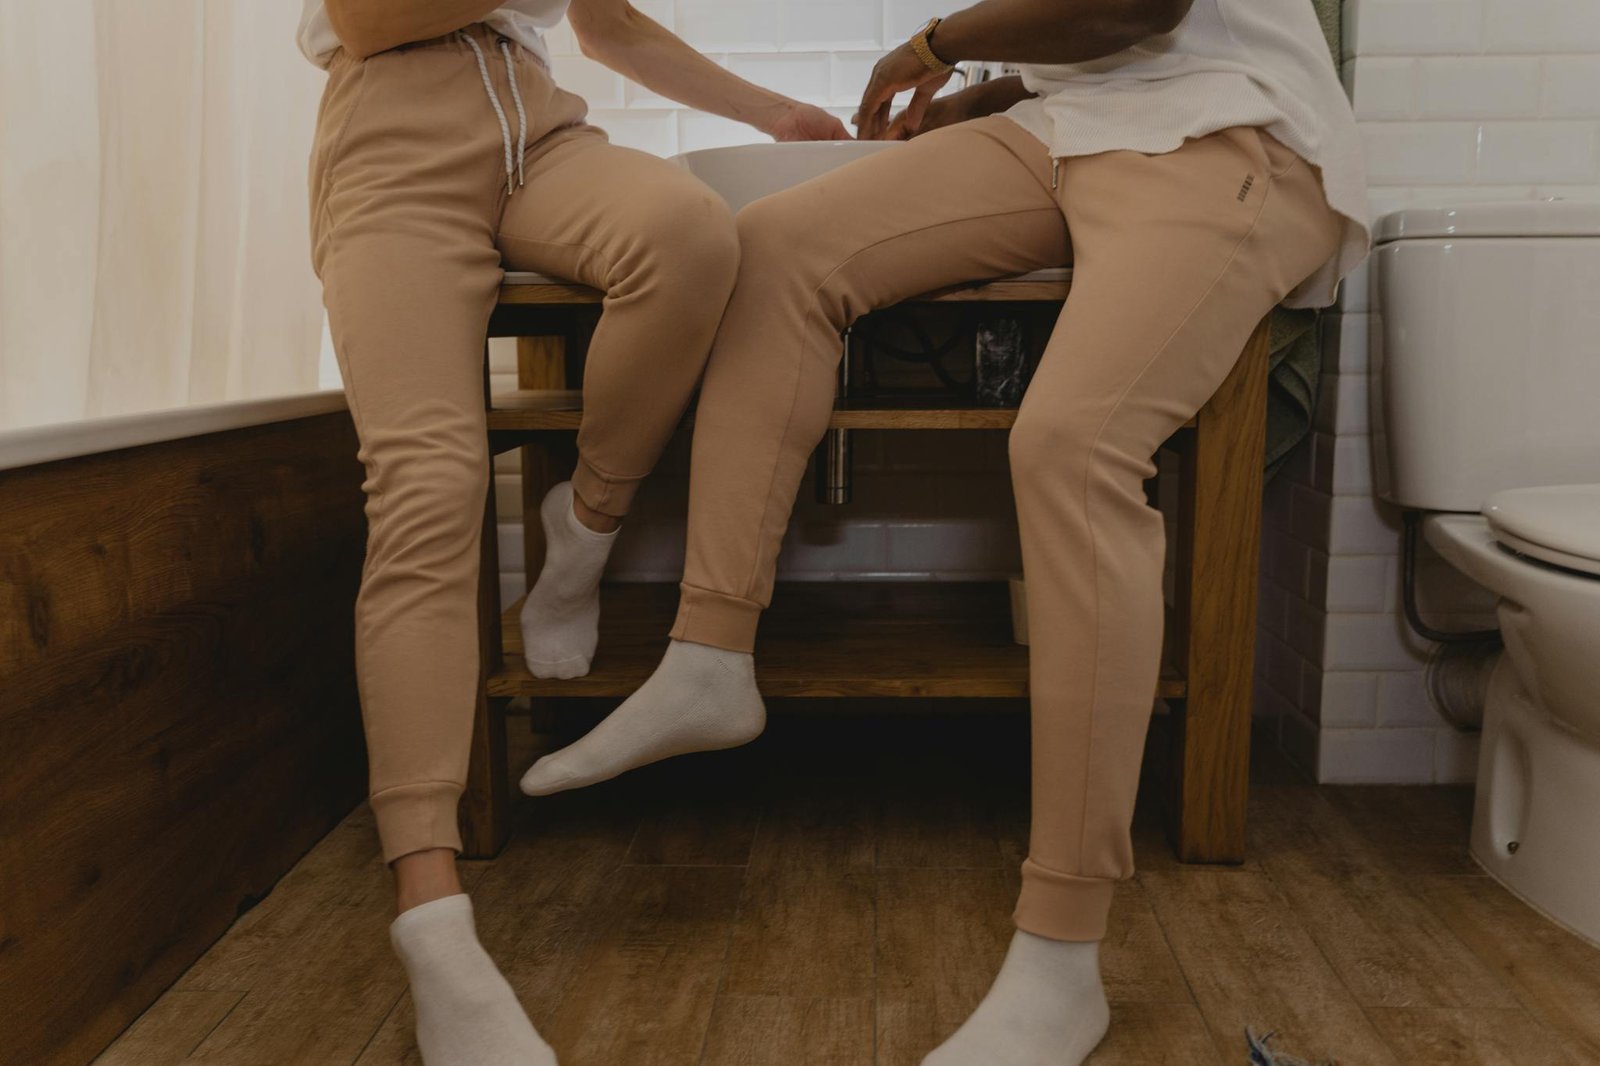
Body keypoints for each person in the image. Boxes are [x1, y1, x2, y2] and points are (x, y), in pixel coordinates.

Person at [521, 0, 1370, 1061]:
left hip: (1225, 134)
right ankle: (708, 654)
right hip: (1071, 127)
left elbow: (1141, 6)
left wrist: (936, 44)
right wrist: (990, 91)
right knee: (774, 244)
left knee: (1070, 447)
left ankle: (1062, 958)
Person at [301, 2, 845, 1062]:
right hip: (391, 141)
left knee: (691, 234)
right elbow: (363, 19)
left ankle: (583, 527)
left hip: (540, 132)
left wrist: (776, 110)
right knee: (426, 485)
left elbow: (603, 24)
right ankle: (431, 911)